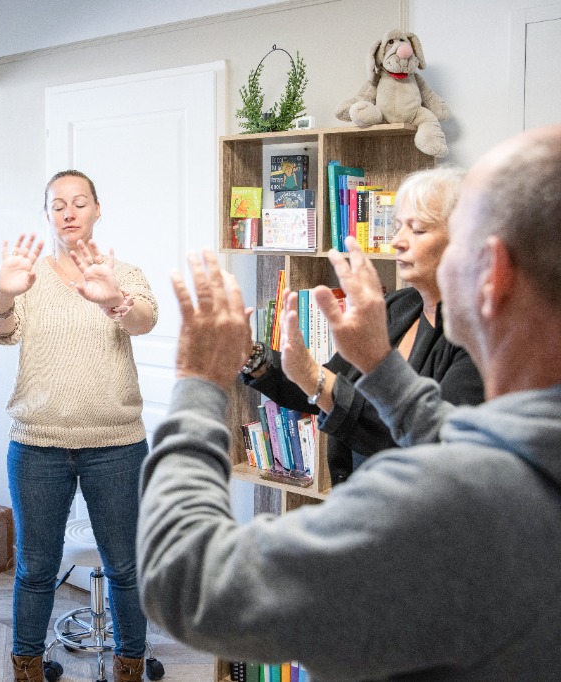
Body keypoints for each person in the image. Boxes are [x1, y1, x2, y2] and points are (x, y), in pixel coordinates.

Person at [137, 124, 561, 680]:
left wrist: (198, 384)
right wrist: (370, 368)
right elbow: (451, 436)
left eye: (448, 238)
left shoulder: (441, 500)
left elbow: (183, 580)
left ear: (492, 273)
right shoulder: (510, 456)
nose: (398, 243)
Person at [0, 170, 158, 681]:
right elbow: (1, 333)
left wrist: (112, 298)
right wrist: (2, 296)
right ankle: (27, 668)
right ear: (47, 216)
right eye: (57, 204)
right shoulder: (27, 278)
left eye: (79, 202)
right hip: (38, 446)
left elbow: (144, 320)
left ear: (97, 209)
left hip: (117, 445)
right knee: (36, 569)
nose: (69, 212)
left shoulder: (122, 272)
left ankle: (129, 664)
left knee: (125, 566)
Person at [241, 167, 483, 483]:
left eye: (418, 229)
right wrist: (253, 357)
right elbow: (323, 392)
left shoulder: (479, 335)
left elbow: (429, 446)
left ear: (464, 240)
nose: (397, 242)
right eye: (398, 228)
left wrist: (316, 379)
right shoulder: (398, 306)